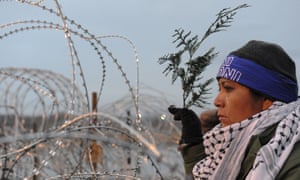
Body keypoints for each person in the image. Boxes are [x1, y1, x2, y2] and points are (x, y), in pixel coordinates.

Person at [169, 40, 300, 180]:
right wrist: (194, 146)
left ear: (266, 100)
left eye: (228, 88)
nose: (217, 101)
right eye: (219, 89)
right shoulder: (227, 148)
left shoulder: (291, 162)